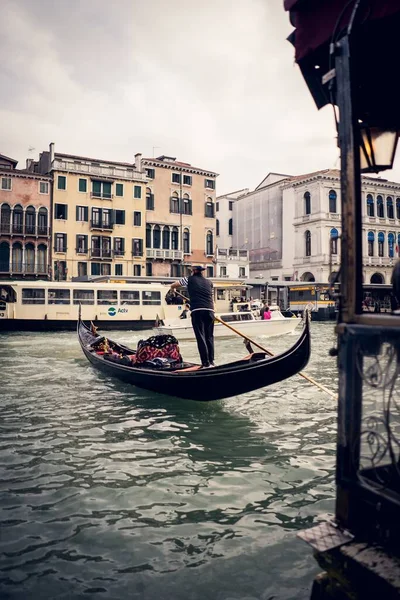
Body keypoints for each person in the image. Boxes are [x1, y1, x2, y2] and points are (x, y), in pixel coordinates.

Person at [170, 266, 215, 368]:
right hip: (210, 311)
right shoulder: (209, 282)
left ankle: (205, 363)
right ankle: (211, 362)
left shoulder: (188, 279)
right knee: (209, 337)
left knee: (201, 337)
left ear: (194, 271)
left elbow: (175, 284)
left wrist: (172, 288)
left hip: (197, 310)